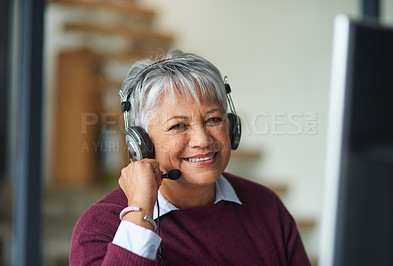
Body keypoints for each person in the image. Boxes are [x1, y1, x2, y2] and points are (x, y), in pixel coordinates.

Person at [70, 50, 310, 265]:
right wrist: (139, 214)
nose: (203, 140)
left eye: (213, 119)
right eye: (178, 126)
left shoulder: (265, 206)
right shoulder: (100, 226)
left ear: (231, 126)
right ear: (140, 143)